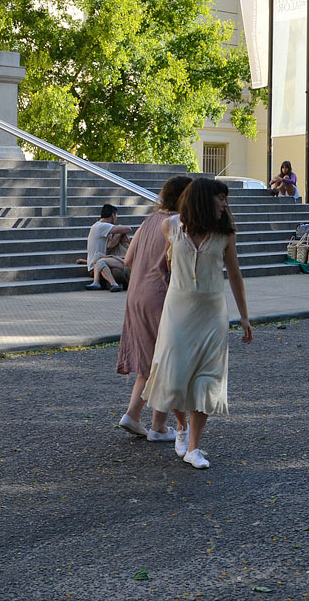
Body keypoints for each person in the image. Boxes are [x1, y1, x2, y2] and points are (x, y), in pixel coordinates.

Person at [142, 177, 252, 470]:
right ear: (204, 201)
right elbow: (167, 262)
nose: (225, 204)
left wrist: (243, 316)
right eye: (220, 198)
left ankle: (194, 447)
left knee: (207, 377)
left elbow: (236, 274)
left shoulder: (225, 233)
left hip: (212, 312)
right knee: (173, 374)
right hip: (177, 310)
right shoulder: (171, 227)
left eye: (226, 199)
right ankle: (180, 427)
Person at [116, 175, 192, 445]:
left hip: (135, 294)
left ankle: (132, 415)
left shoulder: (148, 220)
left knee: (150, 361)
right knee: (165, 361)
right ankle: (158, 426)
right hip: (160, 296)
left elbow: (127, 260)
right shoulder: (177, 225)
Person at [84, 204, 130, 292]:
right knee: (101, 261)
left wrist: (85, 261)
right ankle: (112, 284)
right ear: (113, 215)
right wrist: (120, 230)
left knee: (100, 259)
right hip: (95, 268)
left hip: (95, 265)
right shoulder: (102, 226)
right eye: (116, 215)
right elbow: (128, 229)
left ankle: (104, 283)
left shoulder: (97, 226)